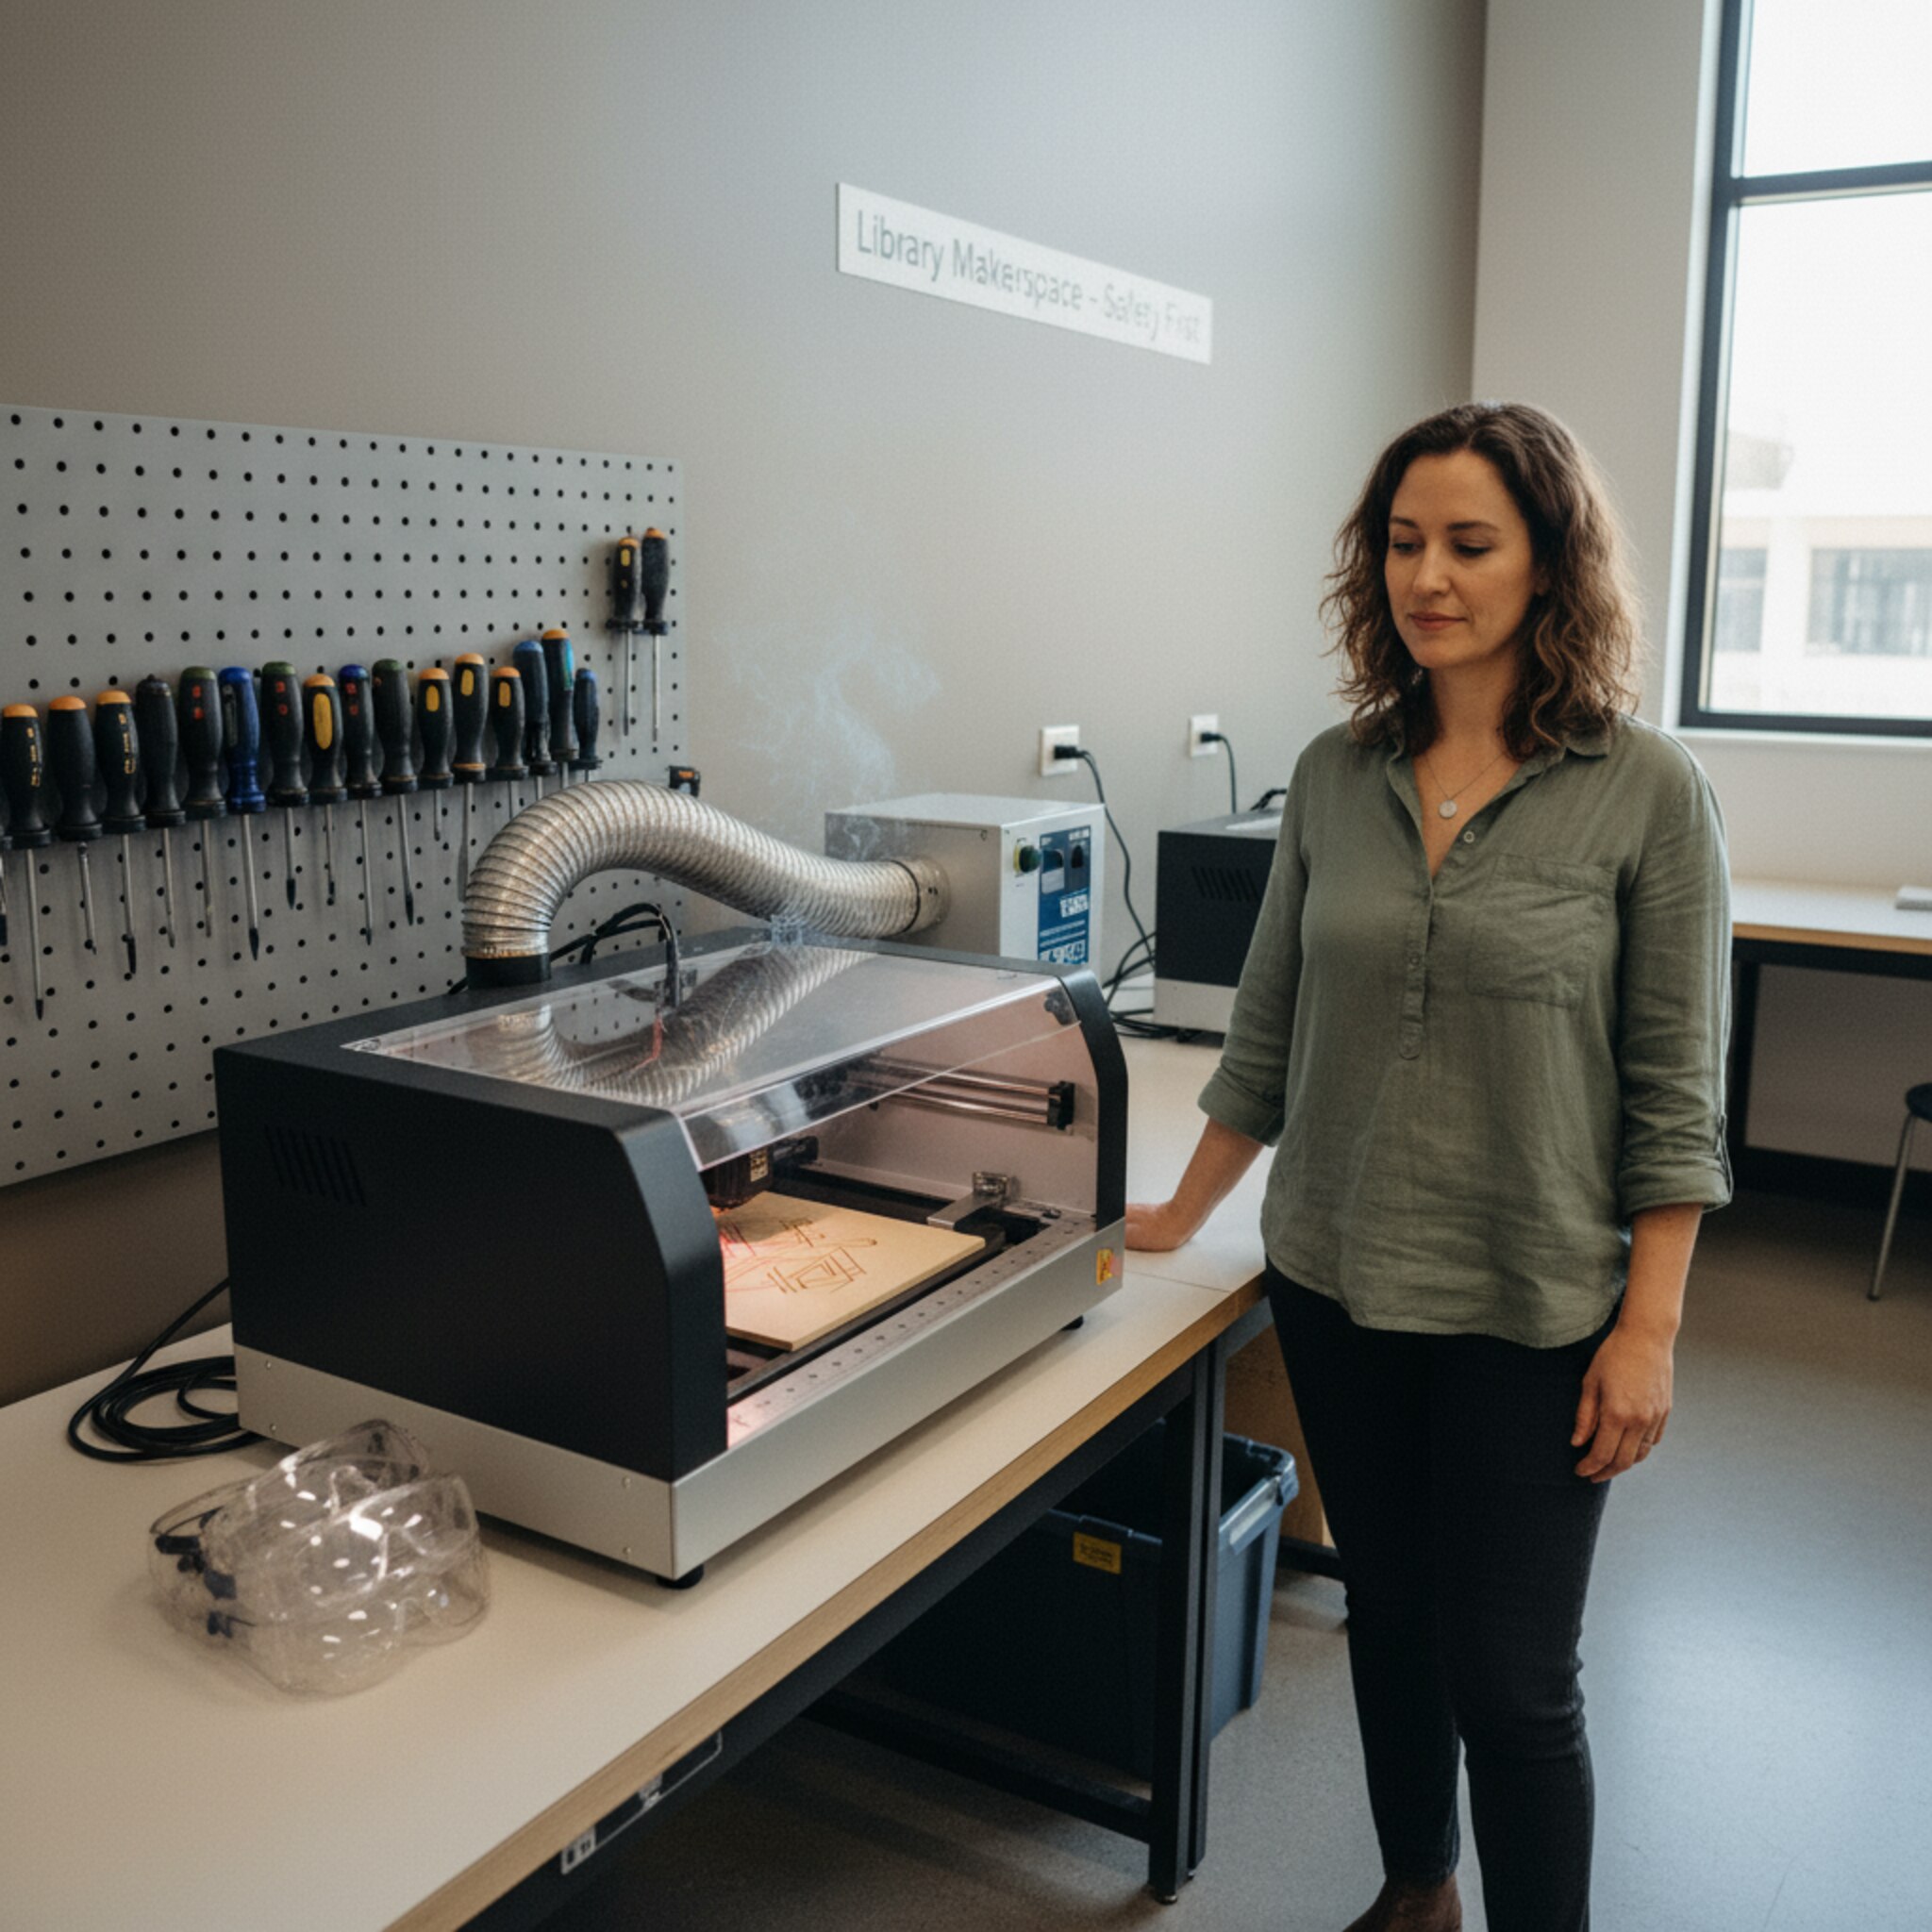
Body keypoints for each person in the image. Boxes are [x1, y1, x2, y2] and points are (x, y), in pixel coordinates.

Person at [1126, 402, 1731, 1932]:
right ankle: (1417, 1894)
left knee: (1517, 1685)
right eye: (1404, 543)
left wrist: (1647, 1327)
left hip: (1536, 1306)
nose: (1429, 576)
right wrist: (1179, 1213)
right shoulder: (1338, 773)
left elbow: (1675, 1090)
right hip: (1334, 1275)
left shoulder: (1646, 790)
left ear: (1550, 566)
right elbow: (1268, 1031)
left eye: (1471, 543)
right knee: (1392, 1618)